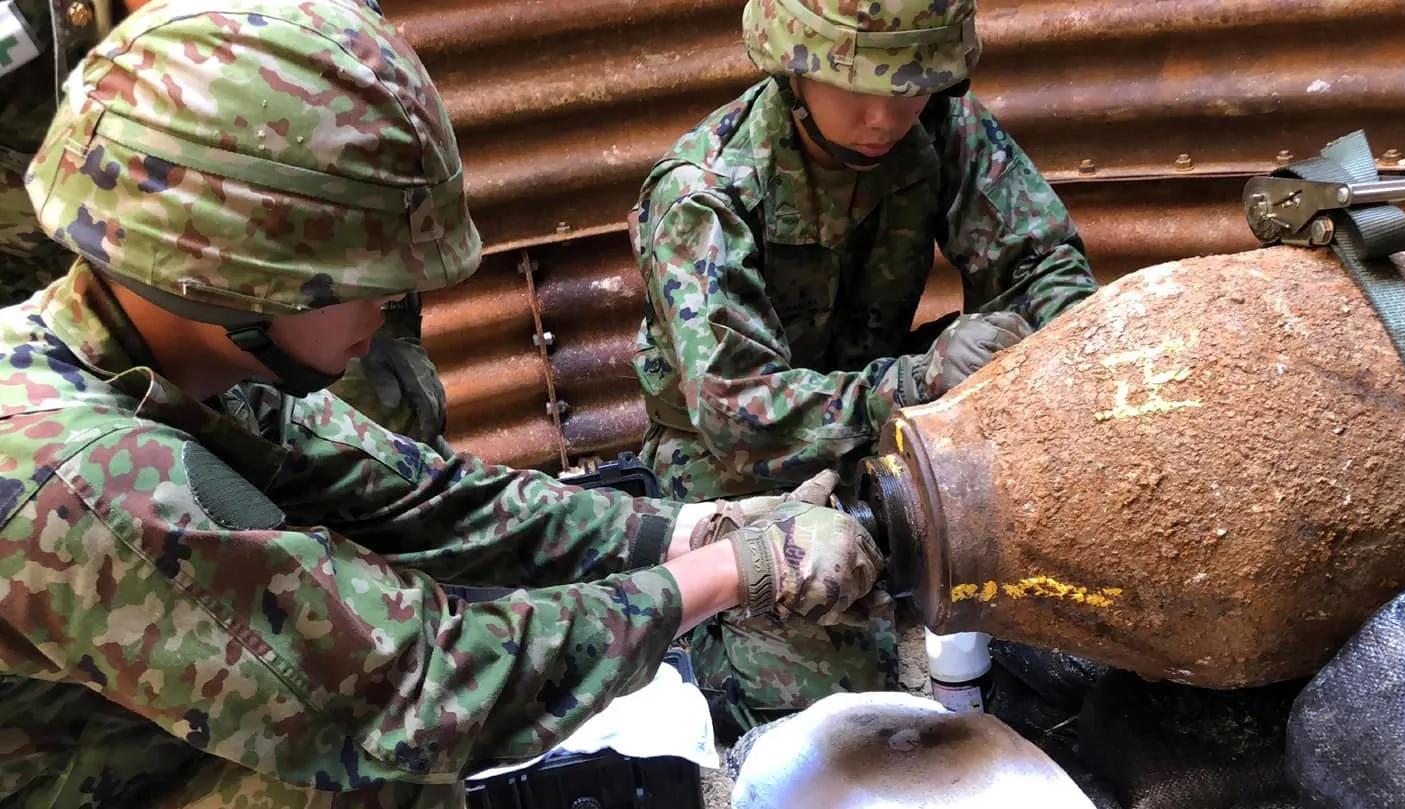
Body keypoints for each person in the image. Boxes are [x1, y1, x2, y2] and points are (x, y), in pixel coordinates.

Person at [0, 0, 881, 804]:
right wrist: (729, 577)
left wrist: (693, 531)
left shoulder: (179, 366)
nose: (391, 304)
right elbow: (416, 680)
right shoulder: (82, 478)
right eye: (367, 277)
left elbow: (431, 498)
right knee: (371, 780)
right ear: (238, 279)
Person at [628, 0, 1099, 735]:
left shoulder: (943, 128)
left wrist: (1068, 358)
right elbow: (735, 411)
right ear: (794, 66)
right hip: (741, 458)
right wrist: (916, 383)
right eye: (856, 86)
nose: (883, 117)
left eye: (907, 88)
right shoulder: (704, 195)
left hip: (880, 419)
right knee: (836, 713)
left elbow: (1042, 265)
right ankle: (705, 641)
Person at [1, 0, 451, 450]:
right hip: (57, 316)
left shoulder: (317, 17)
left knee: (373, 433)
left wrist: (374, 310)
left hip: (263, 293)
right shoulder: (21, 24)